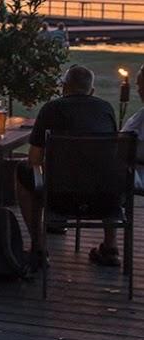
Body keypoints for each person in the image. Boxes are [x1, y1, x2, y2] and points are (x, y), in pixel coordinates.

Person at [15, 64, 118, 270]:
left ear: (63, 87)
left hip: (59, 199)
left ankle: (39, 248)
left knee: (22, 171)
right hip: (105, 200)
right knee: (107, 174)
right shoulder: (106, 109)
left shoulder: (51, 109)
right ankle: (110, 247)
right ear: (92, 91)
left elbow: (34, 160)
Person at [122, 64, 144, 192]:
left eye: (139, 85)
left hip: (138, 175)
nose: (138, 90)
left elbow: (124, 149)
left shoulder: (140, 119)